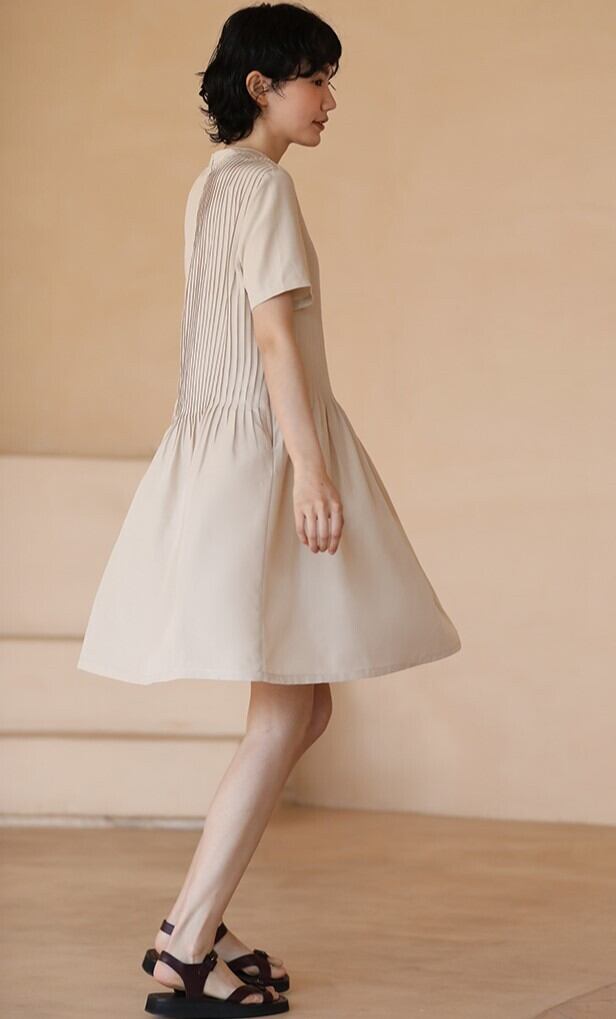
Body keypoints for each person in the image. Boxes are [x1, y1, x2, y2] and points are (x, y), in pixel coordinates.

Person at [77, 4, 462, 1016]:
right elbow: (274, 338)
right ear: (263, 85)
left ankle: (193, 923)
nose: (330, 100)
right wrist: (313, 469)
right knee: (289, 707)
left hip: (220, 452)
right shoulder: (269, 190)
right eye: (316, 78)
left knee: (304, 705)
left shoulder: (213, 185)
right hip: (265, 454)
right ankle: (184, 947)